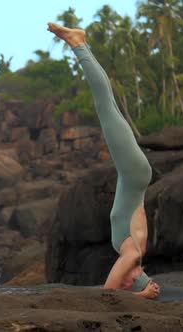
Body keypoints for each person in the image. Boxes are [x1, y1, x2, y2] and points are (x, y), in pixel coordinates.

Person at [47, 22, 161, 299]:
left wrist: (141, 294)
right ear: (135, 279)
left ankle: (79, 43)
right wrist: (142, 296)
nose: (122, 280)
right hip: (133, 174)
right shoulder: (132, 254)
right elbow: (109, 296)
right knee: (104, 104)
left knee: (107, 103)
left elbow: (110, 293)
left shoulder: (131, 253)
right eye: (129, 282)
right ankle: (77, 43)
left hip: (134, 176)